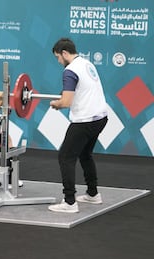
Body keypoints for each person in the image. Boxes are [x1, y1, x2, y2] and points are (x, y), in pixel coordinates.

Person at [48, 38, 108, 213]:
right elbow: (81, 90)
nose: (59, 61)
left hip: (85, 121)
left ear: (65, 53)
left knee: (65, 157)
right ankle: (93, 194)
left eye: (58, 57)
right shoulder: (86, 64)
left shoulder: (70, 70)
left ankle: (69, 202)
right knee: (85, 154)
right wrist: (62, 99)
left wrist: (56, 104)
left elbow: (66, 102)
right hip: (101, 118)